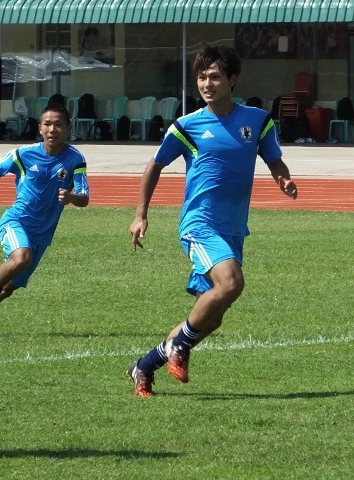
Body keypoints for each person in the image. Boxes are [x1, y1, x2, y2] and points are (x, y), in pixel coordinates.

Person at [127, 44, 298, 397]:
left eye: (215, 76)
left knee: (214, 314)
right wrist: (141, 214)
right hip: (198, 225)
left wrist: (283, 177)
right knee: (232, 282)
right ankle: (180, 347)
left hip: (233, 228)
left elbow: (273, 160)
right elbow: (155, 164)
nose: (207, 83)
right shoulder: (187, 126)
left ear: (232, 80)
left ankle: (145, 364)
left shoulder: (257, 120)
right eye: (202, 77)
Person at [0, 103, 89, 333]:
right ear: (40, 128)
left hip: (42, 234)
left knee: (8, 288)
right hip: (16, 222)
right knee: (21, 257)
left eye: (58, 125)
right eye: (47, 124)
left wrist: (72, 198)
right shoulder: (24, 154)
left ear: (68, 128)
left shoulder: (75, 159)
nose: (52, 129)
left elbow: (84, 197)